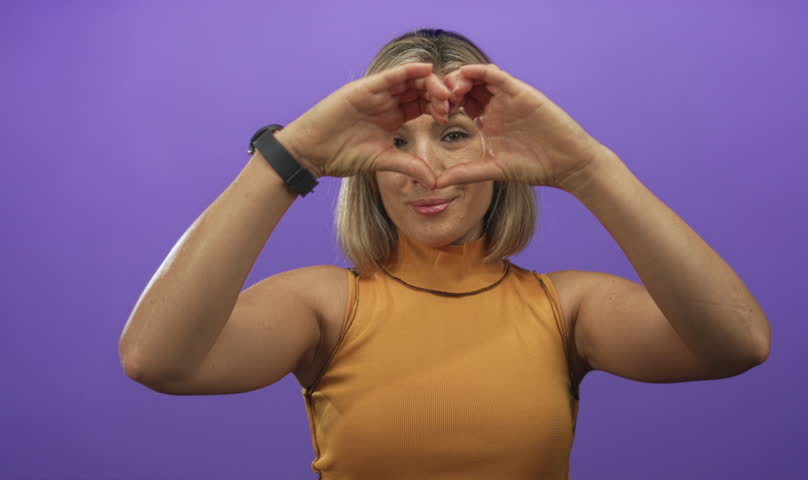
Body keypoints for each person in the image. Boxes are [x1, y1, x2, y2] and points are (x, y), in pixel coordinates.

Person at [119, 28, 771, 479]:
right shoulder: (327, 306)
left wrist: (586, 168)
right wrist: (295, 154)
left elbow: (738, 343)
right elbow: (155, 358)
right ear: (365, 168)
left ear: (497, 155)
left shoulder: (564, 308)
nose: (425, 169)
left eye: (455, 135)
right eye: (396, 143)